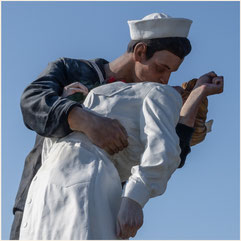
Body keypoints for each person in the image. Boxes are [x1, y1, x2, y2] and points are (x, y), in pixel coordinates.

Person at [10, 12, 223, 239]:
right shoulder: (70, 69)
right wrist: (87, 120)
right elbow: (32, 102)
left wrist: (196, 95)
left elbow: (168, 152)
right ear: (140, 52)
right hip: (38, 196)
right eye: (161, 68)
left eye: (171, 72)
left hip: (95, 199)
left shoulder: (146, 96)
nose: (165, 80)